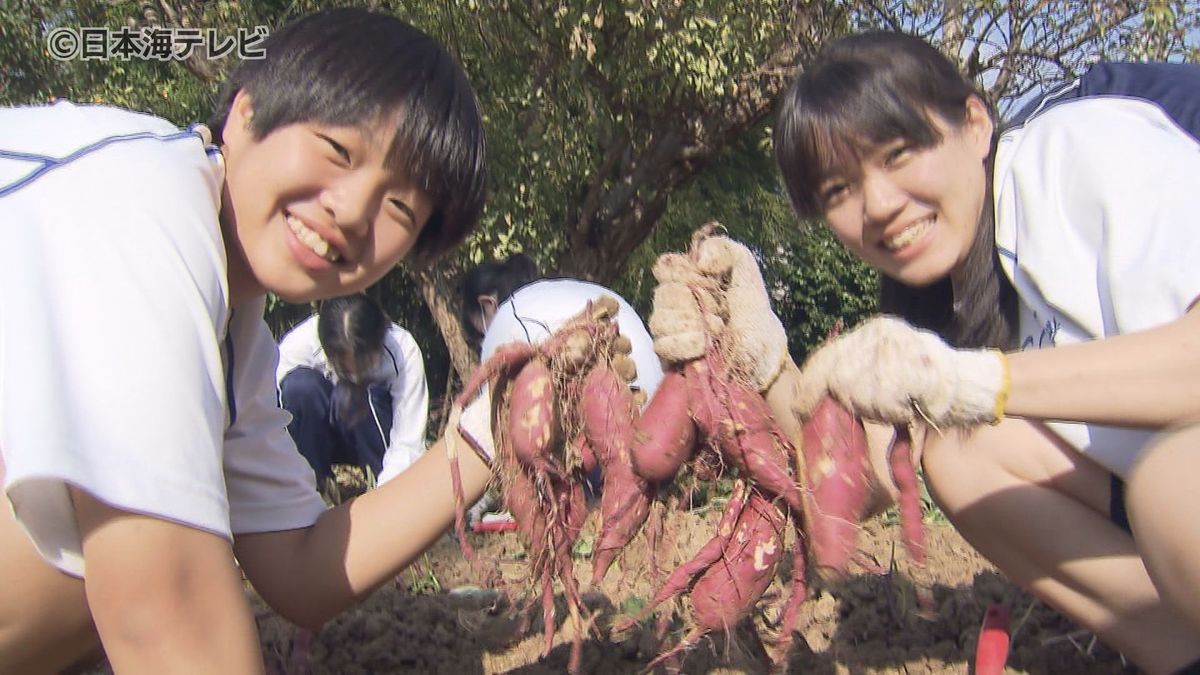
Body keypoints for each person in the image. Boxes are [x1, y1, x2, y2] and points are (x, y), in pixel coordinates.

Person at [652, 32, 1200, 674]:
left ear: (974, 125)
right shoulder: (940, 294)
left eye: (900, 152)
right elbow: (859, 480)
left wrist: (972, 381)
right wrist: (759, 360)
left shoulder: (1078, 152)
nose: (879, 205)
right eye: (838, 191)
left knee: (1173, 484)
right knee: (964, 457)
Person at [0, 8, 495, 673]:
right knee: (128, 558)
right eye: (337, 150)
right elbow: (160, 610)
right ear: (245, 110)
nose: (351, 210)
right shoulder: (141, 203)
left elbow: (300, 565)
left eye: (400, 206)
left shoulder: (236, 334)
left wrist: (495, 435)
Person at [277, 293, 429, 489]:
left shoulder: (403, 350)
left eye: (366, 365)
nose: (357, 374)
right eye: (347, 369)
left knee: (354, 393)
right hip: (317, 439)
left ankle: (379, 483)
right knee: (300, 386)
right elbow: (273, 420)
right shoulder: (297, 346)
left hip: (375, 437)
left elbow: (408, 439)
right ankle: (315, 486)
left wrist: (388, 492)